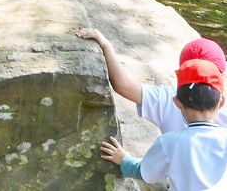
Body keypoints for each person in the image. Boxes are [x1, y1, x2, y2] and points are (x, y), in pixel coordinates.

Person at [100, 59, 227, 189]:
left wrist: (123, 160)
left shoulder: (170, 142)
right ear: (221, 102)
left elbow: (146, 174)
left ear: (177, 103)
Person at [77, 29, 227, 132]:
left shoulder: (168, 99)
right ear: (221, 74)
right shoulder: (222, 107)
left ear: (181, 72)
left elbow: (123, 85)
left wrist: (106, 45)